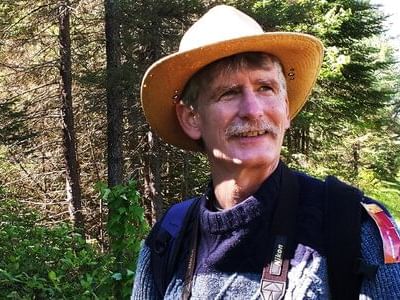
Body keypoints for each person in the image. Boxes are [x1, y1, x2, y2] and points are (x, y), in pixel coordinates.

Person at [132, 5, 400, 299]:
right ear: (191, 118)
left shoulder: (351, 225)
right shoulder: (167, 239)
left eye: (265, 88)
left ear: (285, 108)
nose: (253, 110)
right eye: (229, 92)